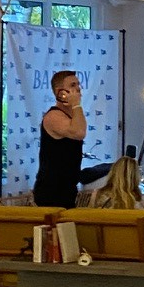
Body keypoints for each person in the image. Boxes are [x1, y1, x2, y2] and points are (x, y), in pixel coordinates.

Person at [33, 69, 110, 208]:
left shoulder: (72, 116)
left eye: (78, 84)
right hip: (51, 190)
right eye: (73, 85)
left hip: (67, 188)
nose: (78, 88)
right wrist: (76, 105)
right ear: (60, 92)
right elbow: (79, 132)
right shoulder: (53, 116)